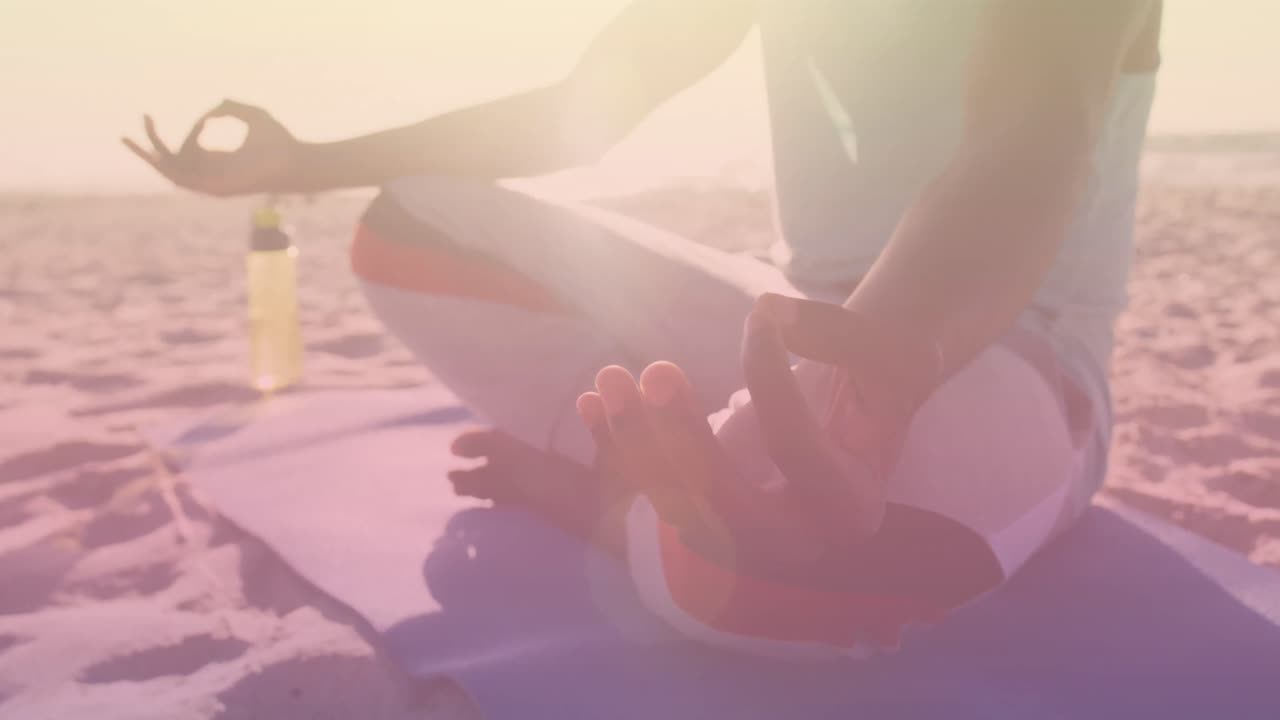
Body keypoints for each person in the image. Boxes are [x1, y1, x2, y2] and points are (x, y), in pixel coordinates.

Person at [126, 0, 1163, 657]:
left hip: (986, 344)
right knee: (411, 225)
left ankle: (613, 496)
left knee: (786, 558)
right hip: (781, 316)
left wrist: (881, 376)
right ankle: (678, 469)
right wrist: (301, 163)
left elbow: (1027, 137)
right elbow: (579, 109)